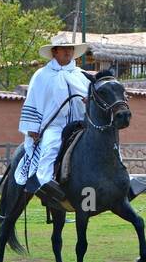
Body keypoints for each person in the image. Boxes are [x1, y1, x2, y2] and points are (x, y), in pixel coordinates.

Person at [15, 34, 92, 205]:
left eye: (71, 49)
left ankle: (122, 182)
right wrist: (32, 128)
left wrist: (89, 101)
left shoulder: (81, 75)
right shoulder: (42, 75)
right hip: (55, 126)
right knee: (50, 147)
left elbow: (92, 98)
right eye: (65, 49)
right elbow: (33, 100)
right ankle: (46, 183)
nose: (69, 52)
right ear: (55, 52)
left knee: (105, 142)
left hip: (81, 125)